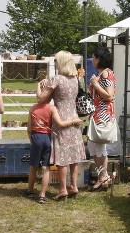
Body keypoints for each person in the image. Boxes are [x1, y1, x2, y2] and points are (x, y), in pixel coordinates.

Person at [36, 50, 86, 199]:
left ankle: (63, 189)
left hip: (61, 119)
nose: (55, 63)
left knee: (62, 157)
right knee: (74, 155)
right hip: (74, 118)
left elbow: (41, 99)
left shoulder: (56, 79)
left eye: (56, 61)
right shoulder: (75, 79)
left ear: (61, 63)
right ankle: (74, 186)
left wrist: (39, 85)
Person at [25, 90, 81, 203]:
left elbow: (29, 129)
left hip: (36, 137)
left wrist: (32, 140)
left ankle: (30, 190)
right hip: (47, 138)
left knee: (33, 166)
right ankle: (42, 194)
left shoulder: (33, 108)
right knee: (46, 167)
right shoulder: (52, 108)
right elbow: (60, 123)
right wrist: (73, 121)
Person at [88, 47, 117, 191]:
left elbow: (109, 95)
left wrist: (95, 84)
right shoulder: (101, 74)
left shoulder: (105, 74)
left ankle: (103, 177)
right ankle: (102, 176)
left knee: (99, 147)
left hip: (103, 115)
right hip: (96, 114)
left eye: (93, 57)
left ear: (99, 59)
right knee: (93, 147)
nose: (92, 60)